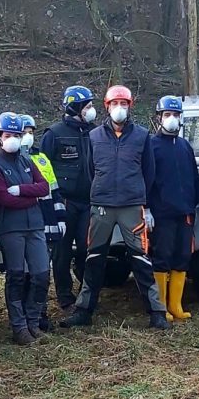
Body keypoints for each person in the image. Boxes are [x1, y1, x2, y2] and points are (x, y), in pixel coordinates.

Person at [59, 85, 168, 330]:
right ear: (107, 107)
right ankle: (84, 310)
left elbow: (149, 172)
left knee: (141, 258)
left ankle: (156, 312)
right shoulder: (94, 136)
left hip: (132, 206)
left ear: (130, 106)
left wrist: (145, 204)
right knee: (94, 257)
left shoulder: (142, 136)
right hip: (102, 205)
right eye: (115, 104)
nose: (120, 108)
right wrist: (99, 193)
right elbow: (89, 170)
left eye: (124, 104)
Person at [0, 112, 51, 344]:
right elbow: (4, 199)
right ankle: (19, 327)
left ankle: (33, 321)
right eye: (8, 134)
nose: (13, 138)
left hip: (34, 225)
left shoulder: (27, 161)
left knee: (42, 273)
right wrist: (32, 194)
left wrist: (23, 191)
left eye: (17, 134)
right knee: (16, 276)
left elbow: (44, 187)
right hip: (11, 228)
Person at [40, 86, 96, 310]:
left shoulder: (95, 133)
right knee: (61, 251)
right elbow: (43, 167)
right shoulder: (54, 133)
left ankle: (86, 291)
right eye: (88, 106)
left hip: (88, 201)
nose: (92, 110)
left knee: (86, 248)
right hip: (64, 202)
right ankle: (64, 294)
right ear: (75, 107)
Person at [147, 96, 198, 321]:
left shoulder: (185, 146)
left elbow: (193, 179)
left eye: (176, 115)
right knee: (162, 257)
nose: (172, 119)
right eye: (167, 115)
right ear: (159, 118)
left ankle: (176, 305)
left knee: (182, 256)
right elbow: (147, 179)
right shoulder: (151, 145)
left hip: (185, 212)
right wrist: (147, 208)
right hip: (162, 213)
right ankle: (160, 307)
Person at [21, 114, 66, 331]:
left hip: (47, 223)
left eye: (31, 131)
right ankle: (25, 316)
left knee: (42, 273)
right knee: (25, 274)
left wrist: (60, 218)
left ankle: (41, 315)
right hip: (26, 225)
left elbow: (54, 190)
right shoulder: (14, 161)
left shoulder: (41, 158)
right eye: (24, 132)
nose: (28, 136)